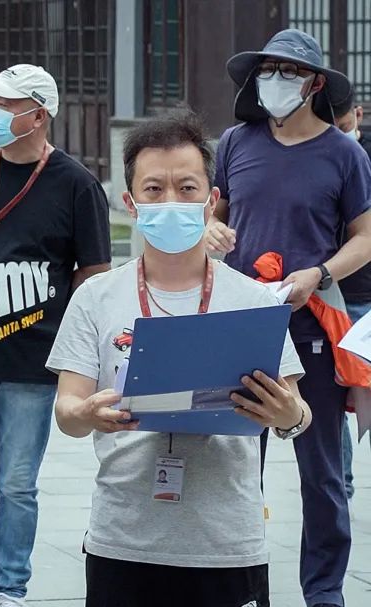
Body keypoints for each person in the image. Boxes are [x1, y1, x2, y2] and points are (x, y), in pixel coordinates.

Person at [48, 111, 311, 607]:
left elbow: (298, 412)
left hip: (226, 543)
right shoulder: (95, 297)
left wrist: (287, 415)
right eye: (153, 189)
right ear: (130, 202)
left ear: (212, 200)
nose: (171, 200)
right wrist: (86, 413)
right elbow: (67, 411)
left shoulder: (253, 300)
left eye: (187, 188)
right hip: (123, 539)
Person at [0, 64, 111, 607]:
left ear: (39, 115)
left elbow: (94, 273)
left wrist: (69, 342)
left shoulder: (76, 184)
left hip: (32, 365)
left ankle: (9, 589)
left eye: (7, 105)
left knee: (17, 486)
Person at [206, 29, 371, 607]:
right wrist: (211, 230)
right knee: (234, 464)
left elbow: (365, 238)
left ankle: (324, 590)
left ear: (315, 83)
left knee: (321, 470)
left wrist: (318, 274)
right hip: (243, 323)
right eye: (267, 69)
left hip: (311, 325)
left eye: (289, 71)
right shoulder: (235, 142)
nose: (274, 80)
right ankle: (241, 584)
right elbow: (216, 212)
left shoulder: (344, 154)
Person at [333, 90, 371, 502]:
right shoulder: (323, 156)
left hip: (366, 299)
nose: (339, 134)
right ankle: (341, 486)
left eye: (344, 127)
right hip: (331, 298)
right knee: (333, 400)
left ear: (358, 115)